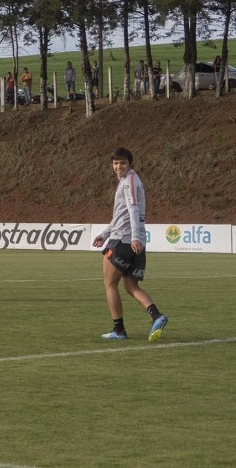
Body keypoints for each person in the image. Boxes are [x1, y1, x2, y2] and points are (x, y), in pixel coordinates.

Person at [92, 147, 168, 342]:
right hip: (136, 241)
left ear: (130, 163)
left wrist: (133, 237)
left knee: (109, 285)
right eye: (116, 163)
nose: (118, 167)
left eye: (123, 163)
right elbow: (121, 215)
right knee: (130, 285)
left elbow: (133, 210)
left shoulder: (129, 182)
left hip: (124, 240)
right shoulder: (130, 180)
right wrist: (104, 233)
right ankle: (156, 315)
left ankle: (119, 330)